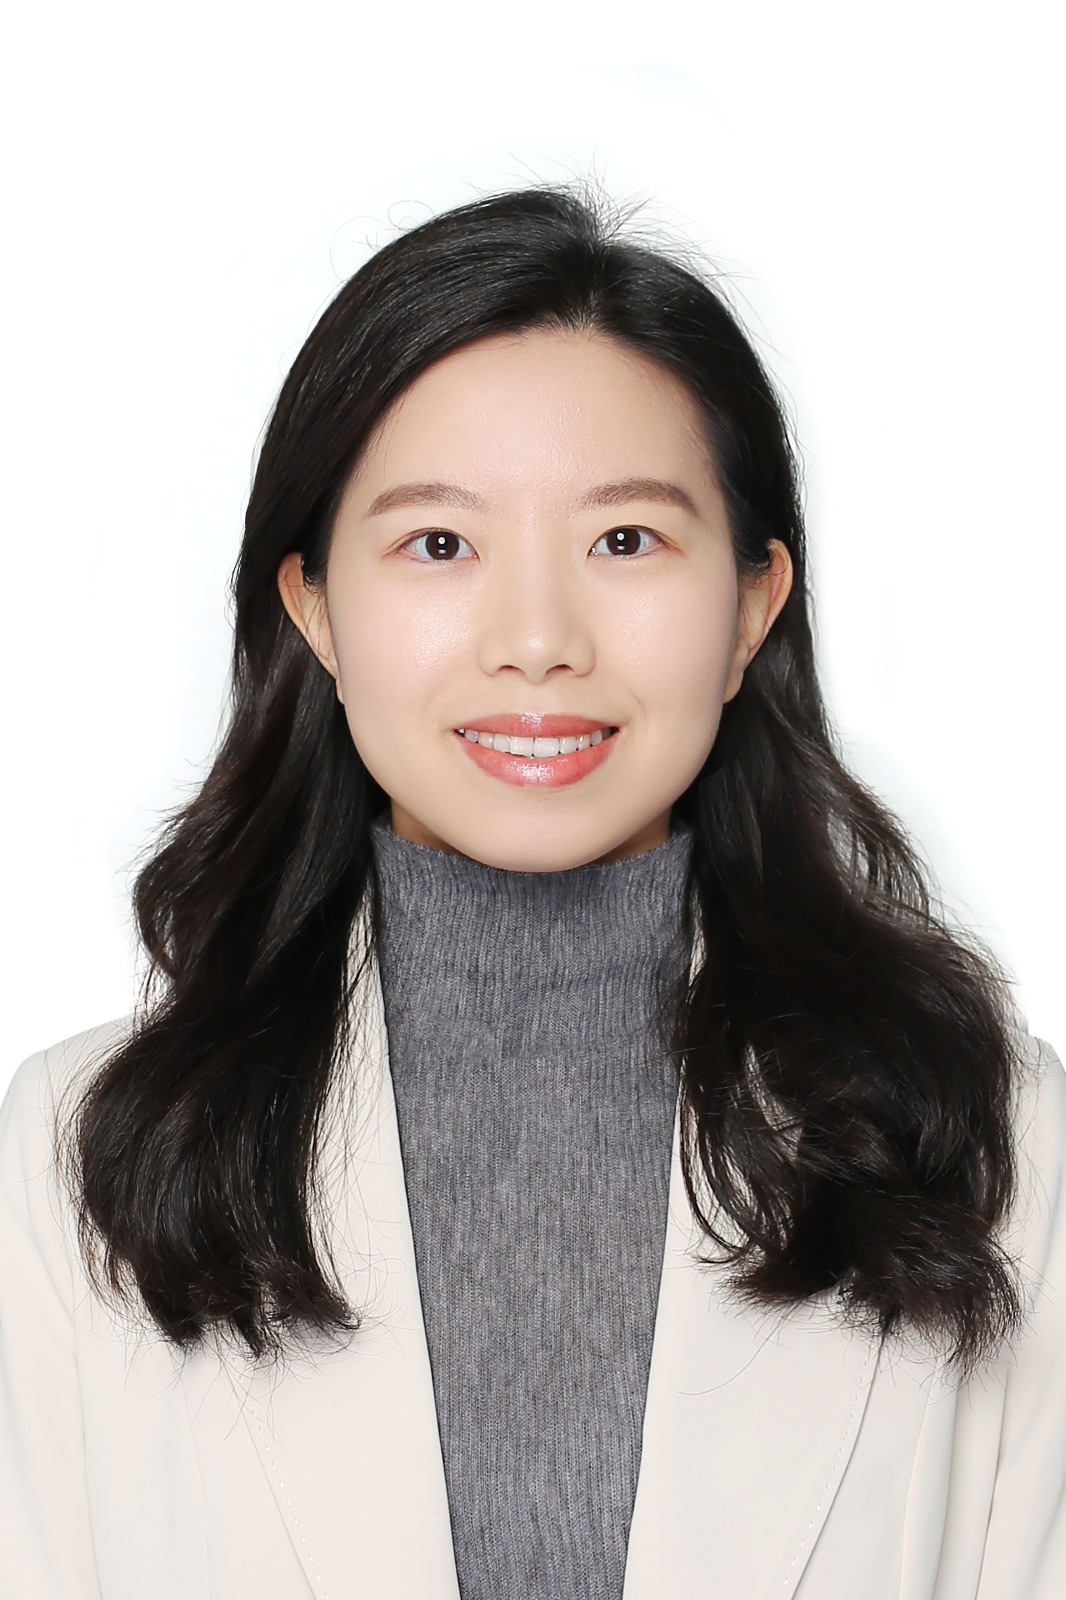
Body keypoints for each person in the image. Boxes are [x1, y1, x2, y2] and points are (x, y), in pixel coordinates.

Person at [1, 179, 1063, 1600]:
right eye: (439, 544)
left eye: (625, 541)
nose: (538, 639)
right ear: (315, 607)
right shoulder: (78, 1153)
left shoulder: (990, 1135)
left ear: (751, 606)